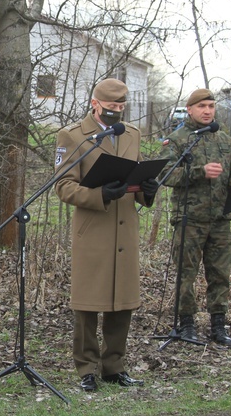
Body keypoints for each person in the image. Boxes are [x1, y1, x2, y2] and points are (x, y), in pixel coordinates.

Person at [54, 79, 159, 392]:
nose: (116, 111)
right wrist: (99, 193)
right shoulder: (72, 135)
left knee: (122, 301)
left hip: (125, 228)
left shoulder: (133, 134)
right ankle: (86, 367)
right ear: (94, 103)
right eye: (110, 105)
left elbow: (136, 177)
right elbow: (63, 185)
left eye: (121, 105)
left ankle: (114, 366)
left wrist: (147, 191)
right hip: (93, 228)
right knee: (87, 303)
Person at [158, 88, 231, 347]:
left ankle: (218, 325)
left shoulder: (225, 139)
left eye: (211, 106)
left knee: (220, 274)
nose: (208, 111)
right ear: (190, 109)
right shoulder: (177, 140)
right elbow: (165, 175)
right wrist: (199, 172)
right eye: (202, 107)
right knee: (186, 274)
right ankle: (186, 324)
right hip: (189, 219)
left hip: (220, 218)